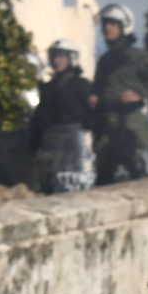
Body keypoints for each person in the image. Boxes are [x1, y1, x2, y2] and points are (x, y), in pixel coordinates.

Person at [90, 3, 148, 185]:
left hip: (132, 125)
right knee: (105, 179)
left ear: (125, 26)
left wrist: (140, 95)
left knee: (139, 175)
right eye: (105, 23)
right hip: (107, 129)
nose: (107, 28)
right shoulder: (104, 60)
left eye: (113, 23)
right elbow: (98, 89)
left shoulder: (137, 56)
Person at [29, 39, 96, 193]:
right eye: (54, 56)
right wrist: (34, 144)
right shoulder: (47, 88)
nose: (56, 60)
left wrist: (89, 126)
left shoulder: (81, 84)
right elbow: (40, 118)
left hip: (76, 148)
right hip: (51, 147)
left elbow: (93, 112)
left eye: (61, 56)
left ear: (71, 58)